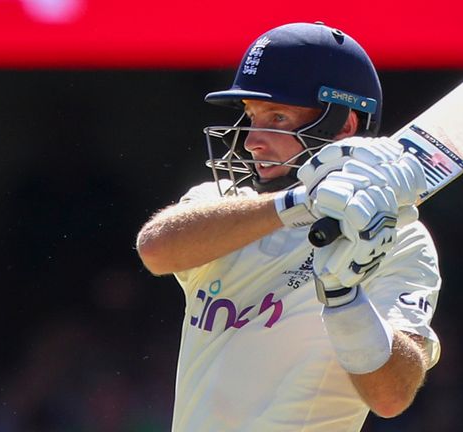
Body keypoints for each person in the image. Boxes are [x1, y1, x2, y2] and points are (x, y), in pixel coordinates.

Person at [136, 22, 442, 431]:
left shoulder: (400, 238)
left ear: (345, 126)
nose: (251, 141)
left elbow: (391, 396)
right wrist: (299, 203)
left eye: (277, 117)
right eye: (251, 115)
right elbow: (156, 249)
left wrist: (344, 297)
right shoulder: (225, 205)